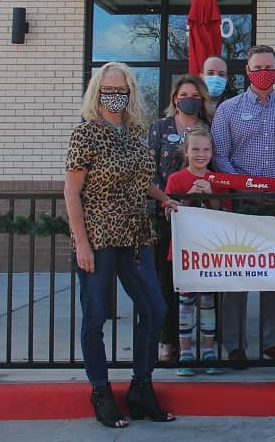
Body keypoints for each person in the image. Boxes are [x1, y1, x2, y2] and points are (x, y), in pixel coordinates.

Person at [64, 61, 178, 428]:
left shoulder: (134, 133)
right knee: (96, 316)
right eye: (108, 91)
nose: (115, 97)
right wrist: (81, 242)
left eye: (121, 90)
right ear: (97, 93)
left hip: (135, 236)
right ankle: (100, 390)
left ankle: (141, 387)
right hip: (97, 238)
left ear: (130, 93)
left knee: (155, 308)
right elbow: (71, 191)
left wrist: (164, 197)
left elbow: (140, 179)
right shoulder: (85, 134)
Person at [211, 45, 275, 368]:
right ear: (247, 71)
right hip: (241, 203)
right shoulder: (228, 110)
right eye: (258, 67)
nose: (264, 72)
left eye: (269, 66)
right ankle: (234, 345)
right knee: (238, 274)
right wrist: (244, 187)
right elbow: (220, 156)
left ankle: (273, 343)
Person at [147, 75, 210, 364]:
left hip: (198, 219)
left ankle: (201, 342)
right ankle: (166, 341)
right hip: (165, 215)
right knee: (165, 281)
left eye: (195, 95)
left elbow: (213, 168)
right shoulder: (159, 129)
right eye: (184, 94)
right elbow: (147, 171)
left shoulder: (208, 129)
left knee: (199, 281)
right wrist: (164, 200)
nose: (189, 99)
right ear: (175, 98)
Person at [164, 125, 227, 377]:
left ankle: (209, 352)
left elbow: (225, 217)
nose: (201, 154)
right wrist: (189, 196)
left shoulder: (218, 181)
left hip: (210, 252)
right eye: (196, 149)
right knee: (185, 303)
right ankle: (186, 352)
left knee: (208, 302)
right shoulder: (176, 179)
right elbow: (168, 214)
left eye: (206, 149)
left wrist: (212, 196)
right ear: (186, 152)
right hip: (184, 251)